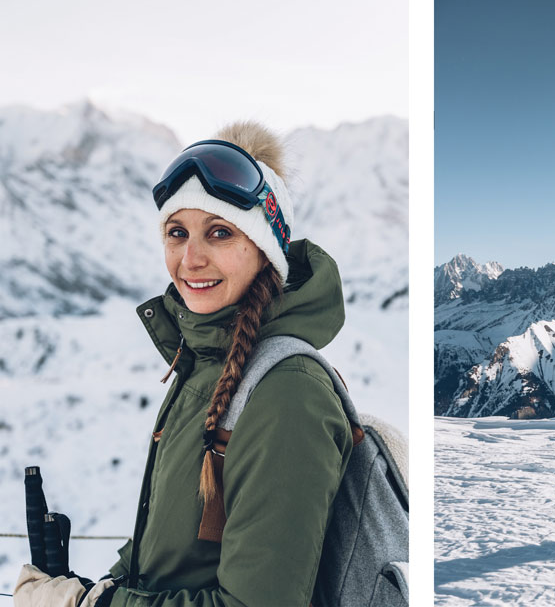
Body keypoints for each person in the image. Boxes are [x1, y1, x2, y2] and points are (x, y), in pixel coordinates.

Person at [12, 122, 355, 606]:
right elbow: (167, 555)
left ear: (264, 251)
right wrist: (91, 590)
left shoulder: (286, 393)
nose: (190, 259)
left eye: (219, 233)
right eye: (177, 233)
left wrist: (90, 605)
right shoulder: (204, 363)